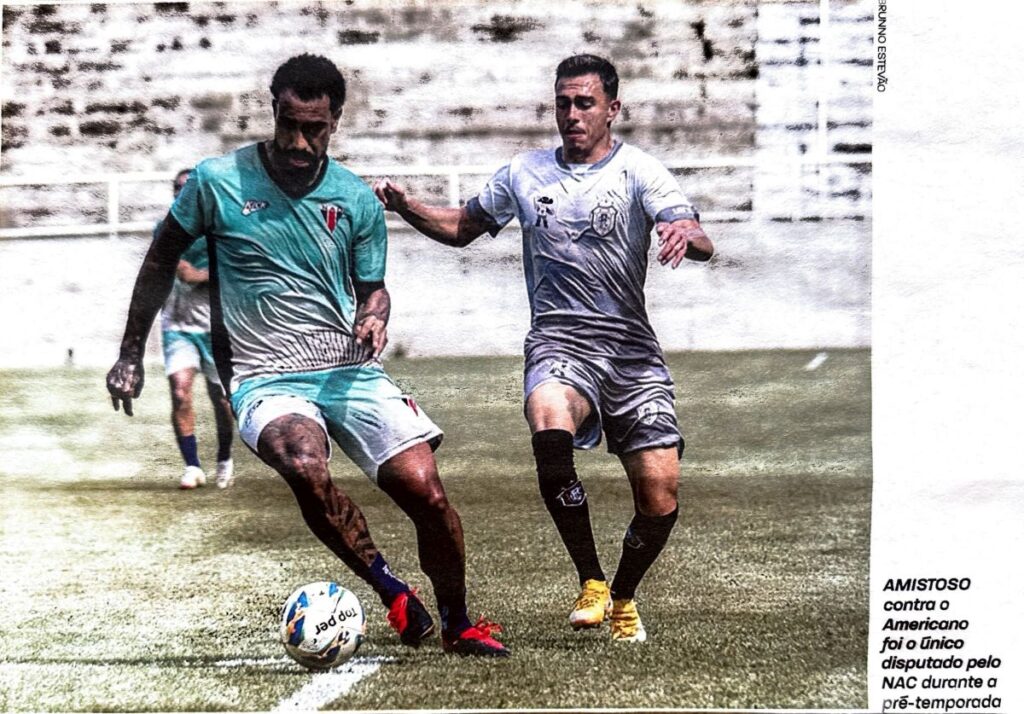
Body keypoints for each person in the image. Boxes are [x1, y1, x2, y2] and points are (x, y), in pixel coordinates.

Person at [106, 54, 507, 657]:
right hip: (265, 375)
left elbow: (373, 289)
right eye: (288, 124)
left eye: (314, 128)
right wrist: (131, 354)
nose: (298, 141)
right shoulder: (217, 182)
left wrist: (374, 315)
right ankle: (392, 590)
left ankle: (459, 623)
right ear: (274, 110)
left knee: (426, 493)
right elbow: (161, 259)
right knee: (303, 462)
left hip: (348, 369)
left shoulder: (355, 199)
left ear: (335, 120)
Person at [374, 54, 714, 643]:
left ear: (612, 108)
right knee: (548, 424)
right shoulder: (524, 173)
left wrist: (687, 233)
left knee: (660, 495)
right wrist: (407, 206)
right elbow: (462, 227)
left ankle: (624, 595)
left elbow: (695, 231)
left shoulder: (640, 171)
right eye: (563, 103)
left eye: (585, 103)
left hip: (630, 353)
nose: (572, 114)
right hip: (558, 343)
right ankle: (591, 580)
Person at [158, 168, 235, 490]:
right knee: (180, 393)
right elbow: (169, 266)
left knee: (223, 401)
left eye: (189, 188)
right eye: (178, 188)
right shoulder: (166, 228)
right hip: (177, 326)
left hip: (217, 327)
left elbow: (238, 271)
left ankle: (225, 458)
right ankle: (192, 466)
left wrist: (202, 275)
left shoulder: (223, 229)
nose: (183, 193)